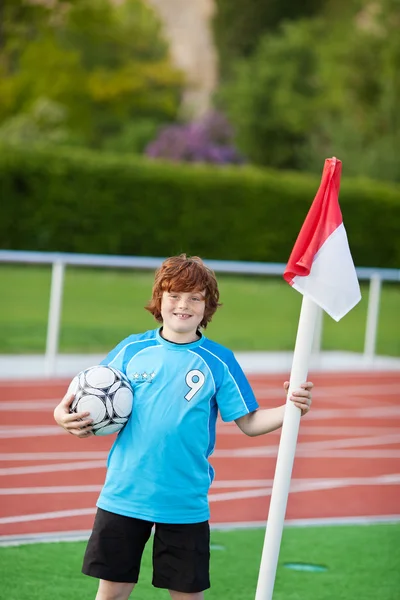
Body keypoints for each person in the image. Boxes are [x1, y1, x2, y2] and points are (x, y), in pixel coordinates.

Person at [54, 254, 313, 600]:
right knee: (112, 592)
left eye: (195, 298)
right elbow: (85, 391)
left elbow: (249, 422)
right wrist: (61, 414)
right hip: (124, 494)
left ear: (207, 307)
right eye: (174, 295)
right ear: (158, 301)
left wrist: (290, 409)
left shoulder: (219, 361)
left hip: (185, 500)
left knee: (186, 595)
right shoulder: (132, 349)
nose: (183, 305)